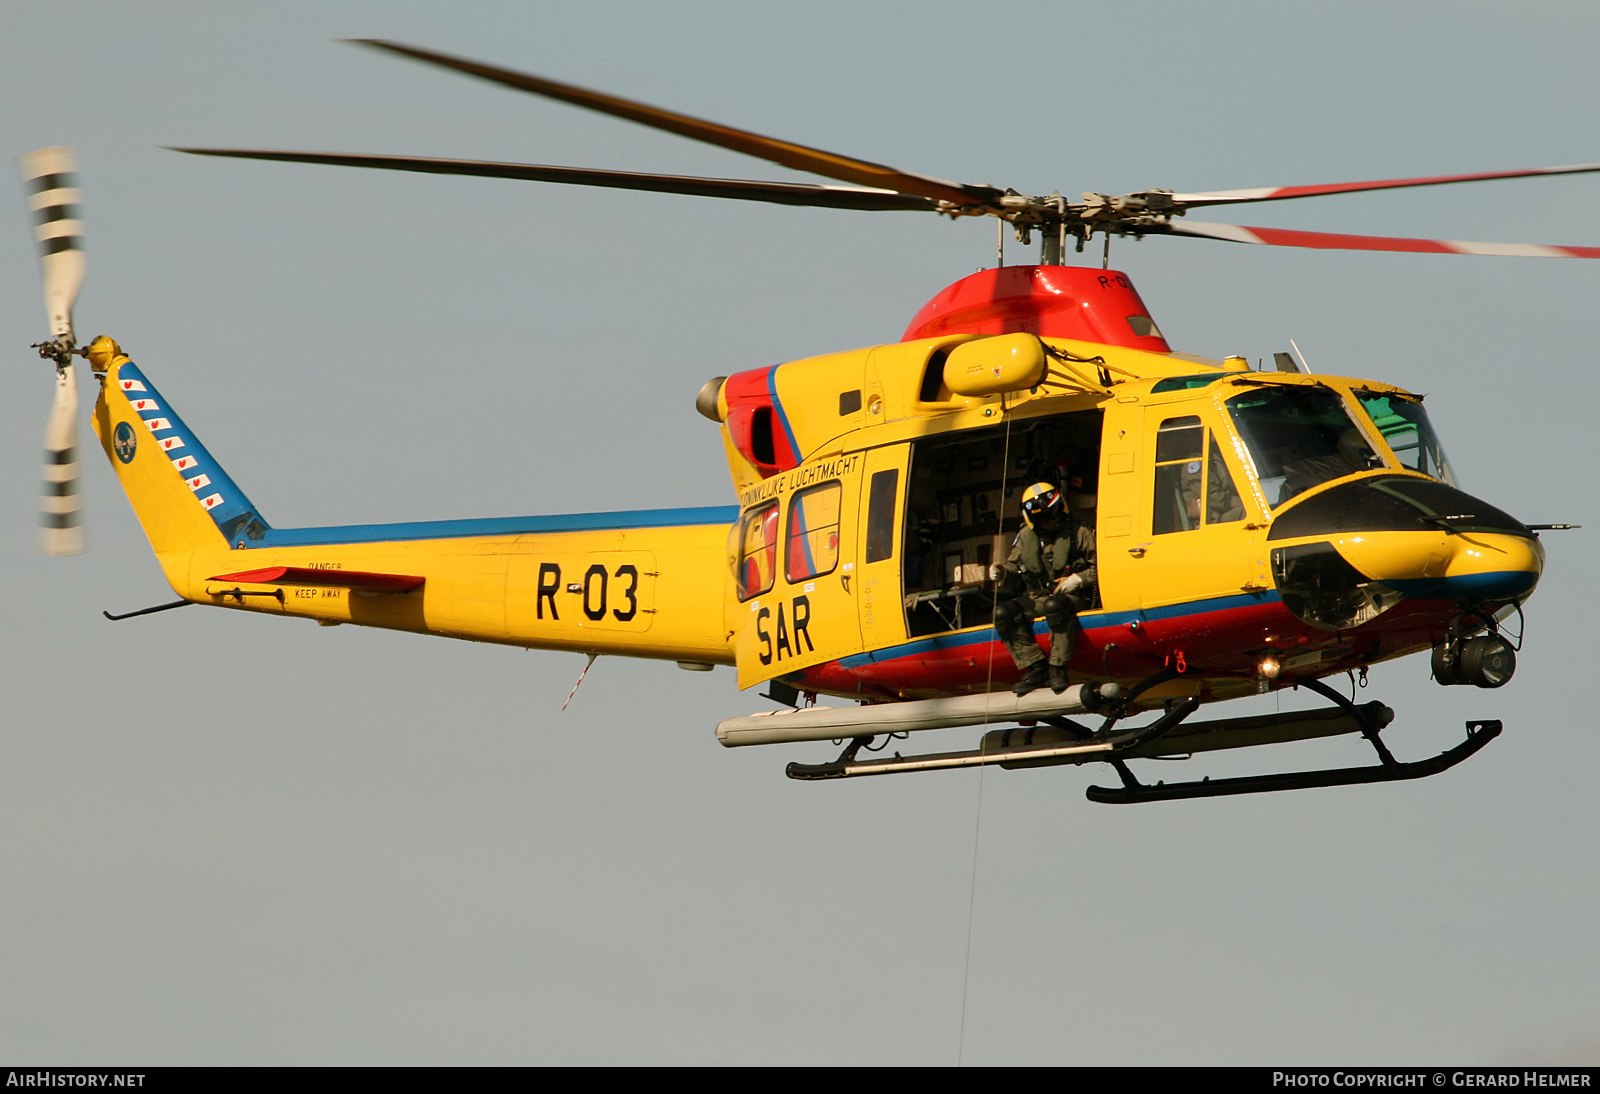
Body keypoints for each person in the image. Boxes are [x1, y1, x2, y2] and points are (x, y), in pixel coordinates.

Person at [991, 480, 1097, 695]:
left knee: (1055, 606)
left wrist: (1079, 578)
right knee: (1003, 613)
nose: (1052, 520)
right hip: (1039, 597)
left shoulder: (1080, 533)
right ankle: (1036, 667)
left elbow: (1104, 565)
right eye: (1044, 517)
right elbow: (1013, 566)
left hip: (1075, 597)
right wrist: (1001, 572)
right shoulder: (1026, 538)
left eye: (1054, 513)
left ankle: (1058, 668)